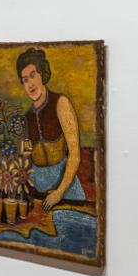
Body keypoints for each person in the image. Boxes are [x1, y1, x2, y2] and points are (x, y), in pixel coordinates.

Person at [17, 48, 85, 210]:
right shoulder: (26, 118)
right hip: (38, 193)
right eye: (25, 80)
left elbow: (75, 154)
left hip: (66, 189)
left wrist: (59, 193)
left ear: (42, 74)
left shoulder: (61, 103)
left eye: (32, 75)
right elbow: (24, 159)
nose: (30, 84)